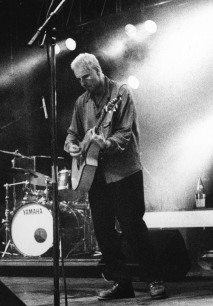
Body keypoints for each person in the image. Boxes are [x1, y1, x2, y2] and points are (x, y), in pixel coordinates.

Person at [64, 53, 167, 300]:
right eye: (79, 79)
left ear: (98, 70)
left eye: (86, 77)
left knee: (133, 227)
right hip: (95, 176)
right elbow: (72, 133)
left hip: (124, 172)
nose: (83, 83)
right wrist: (72, 146)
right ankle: (122, 283)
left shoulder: (120, 93)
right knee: (103, 231)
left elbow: (124, 134)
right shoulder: (81, 102)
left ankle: (154, 278)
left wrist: (106, 143)